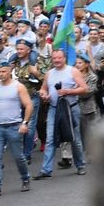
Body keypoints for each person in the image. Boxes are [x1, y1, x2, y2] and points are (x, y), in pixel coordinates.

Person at [33, 48, 87, 178]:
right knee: (50, 138)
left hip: (70, 108)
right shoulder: (49, 73)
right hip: (53, 109)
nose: (57, 60)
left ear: (64, 58)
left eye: (59, 58)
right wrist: (43, 95)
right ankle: (46, 169)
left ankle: (80, 165)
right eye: (54, 58)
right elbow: (43, 88)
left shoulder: (73, 71)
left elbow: (84, 88)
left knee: (74, 138)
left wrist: (68, 91)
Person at [0, 63, 32, 198]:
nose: (0, 74)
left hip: (14, 126)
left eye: (3, 71)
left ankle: (25, 178)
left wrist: (25, 123)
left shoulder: (18, 87)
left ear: (10, 71)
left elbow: (29, 105)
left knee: (18, 156)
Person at [10, 39, 45, 161]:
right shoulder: (15, 61)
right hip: (17, 98)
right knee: (19, 125)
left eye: (21, 49)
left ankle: (27, 154)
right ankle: (25, 147)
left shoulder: (38, 61)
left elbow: (46, 79)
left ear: (29, 50)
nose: (19, 51)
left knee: (29, 126)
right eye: (18, 49)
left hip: (32, 96)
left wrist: (35, 73)